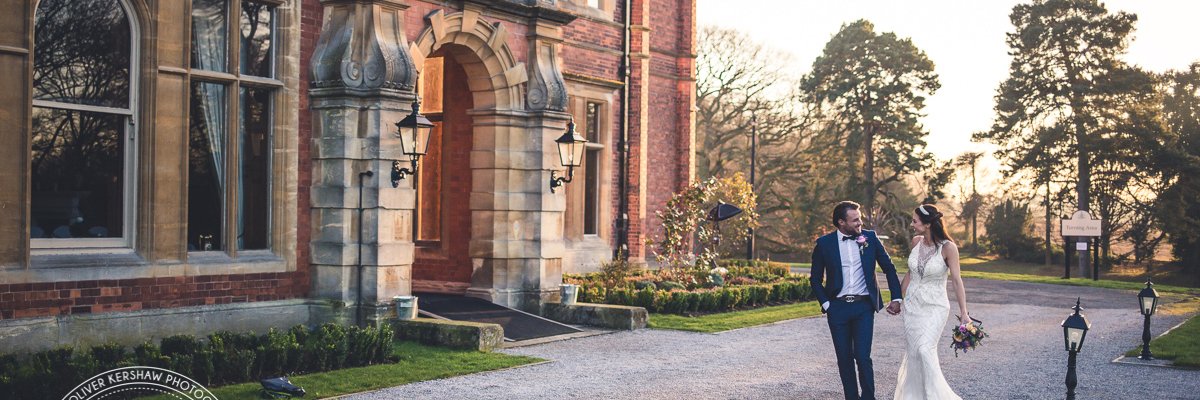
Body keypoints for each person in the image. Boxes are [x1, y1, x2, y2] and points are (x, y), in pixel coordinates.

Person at [811, 201, 904, 400]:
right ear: (841, 222)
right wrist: (827, 305)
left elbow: (889, 268)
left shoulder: (869, 238)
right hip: (838, 308)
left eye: (860, 219)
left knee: (862, 357)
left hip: (863, 307)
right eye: (855, 220)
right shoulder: (824, 244)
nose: (860, 223)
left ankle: (869, 397)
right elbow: (815, 279)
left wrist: (896, 297)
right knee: (844, 360)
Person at [891, 204, 970, 400]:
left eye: (915, 221)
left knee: (925, 349)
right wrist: (898, 299)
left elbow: (957, 280)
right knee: (914, 353)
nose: (911, 224)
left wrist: (964, 312)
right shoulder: (916, 241)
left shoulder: (948, 248)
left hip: (935, 306)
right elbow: (910, 273)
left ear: (927, 224)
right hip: (912, 306)